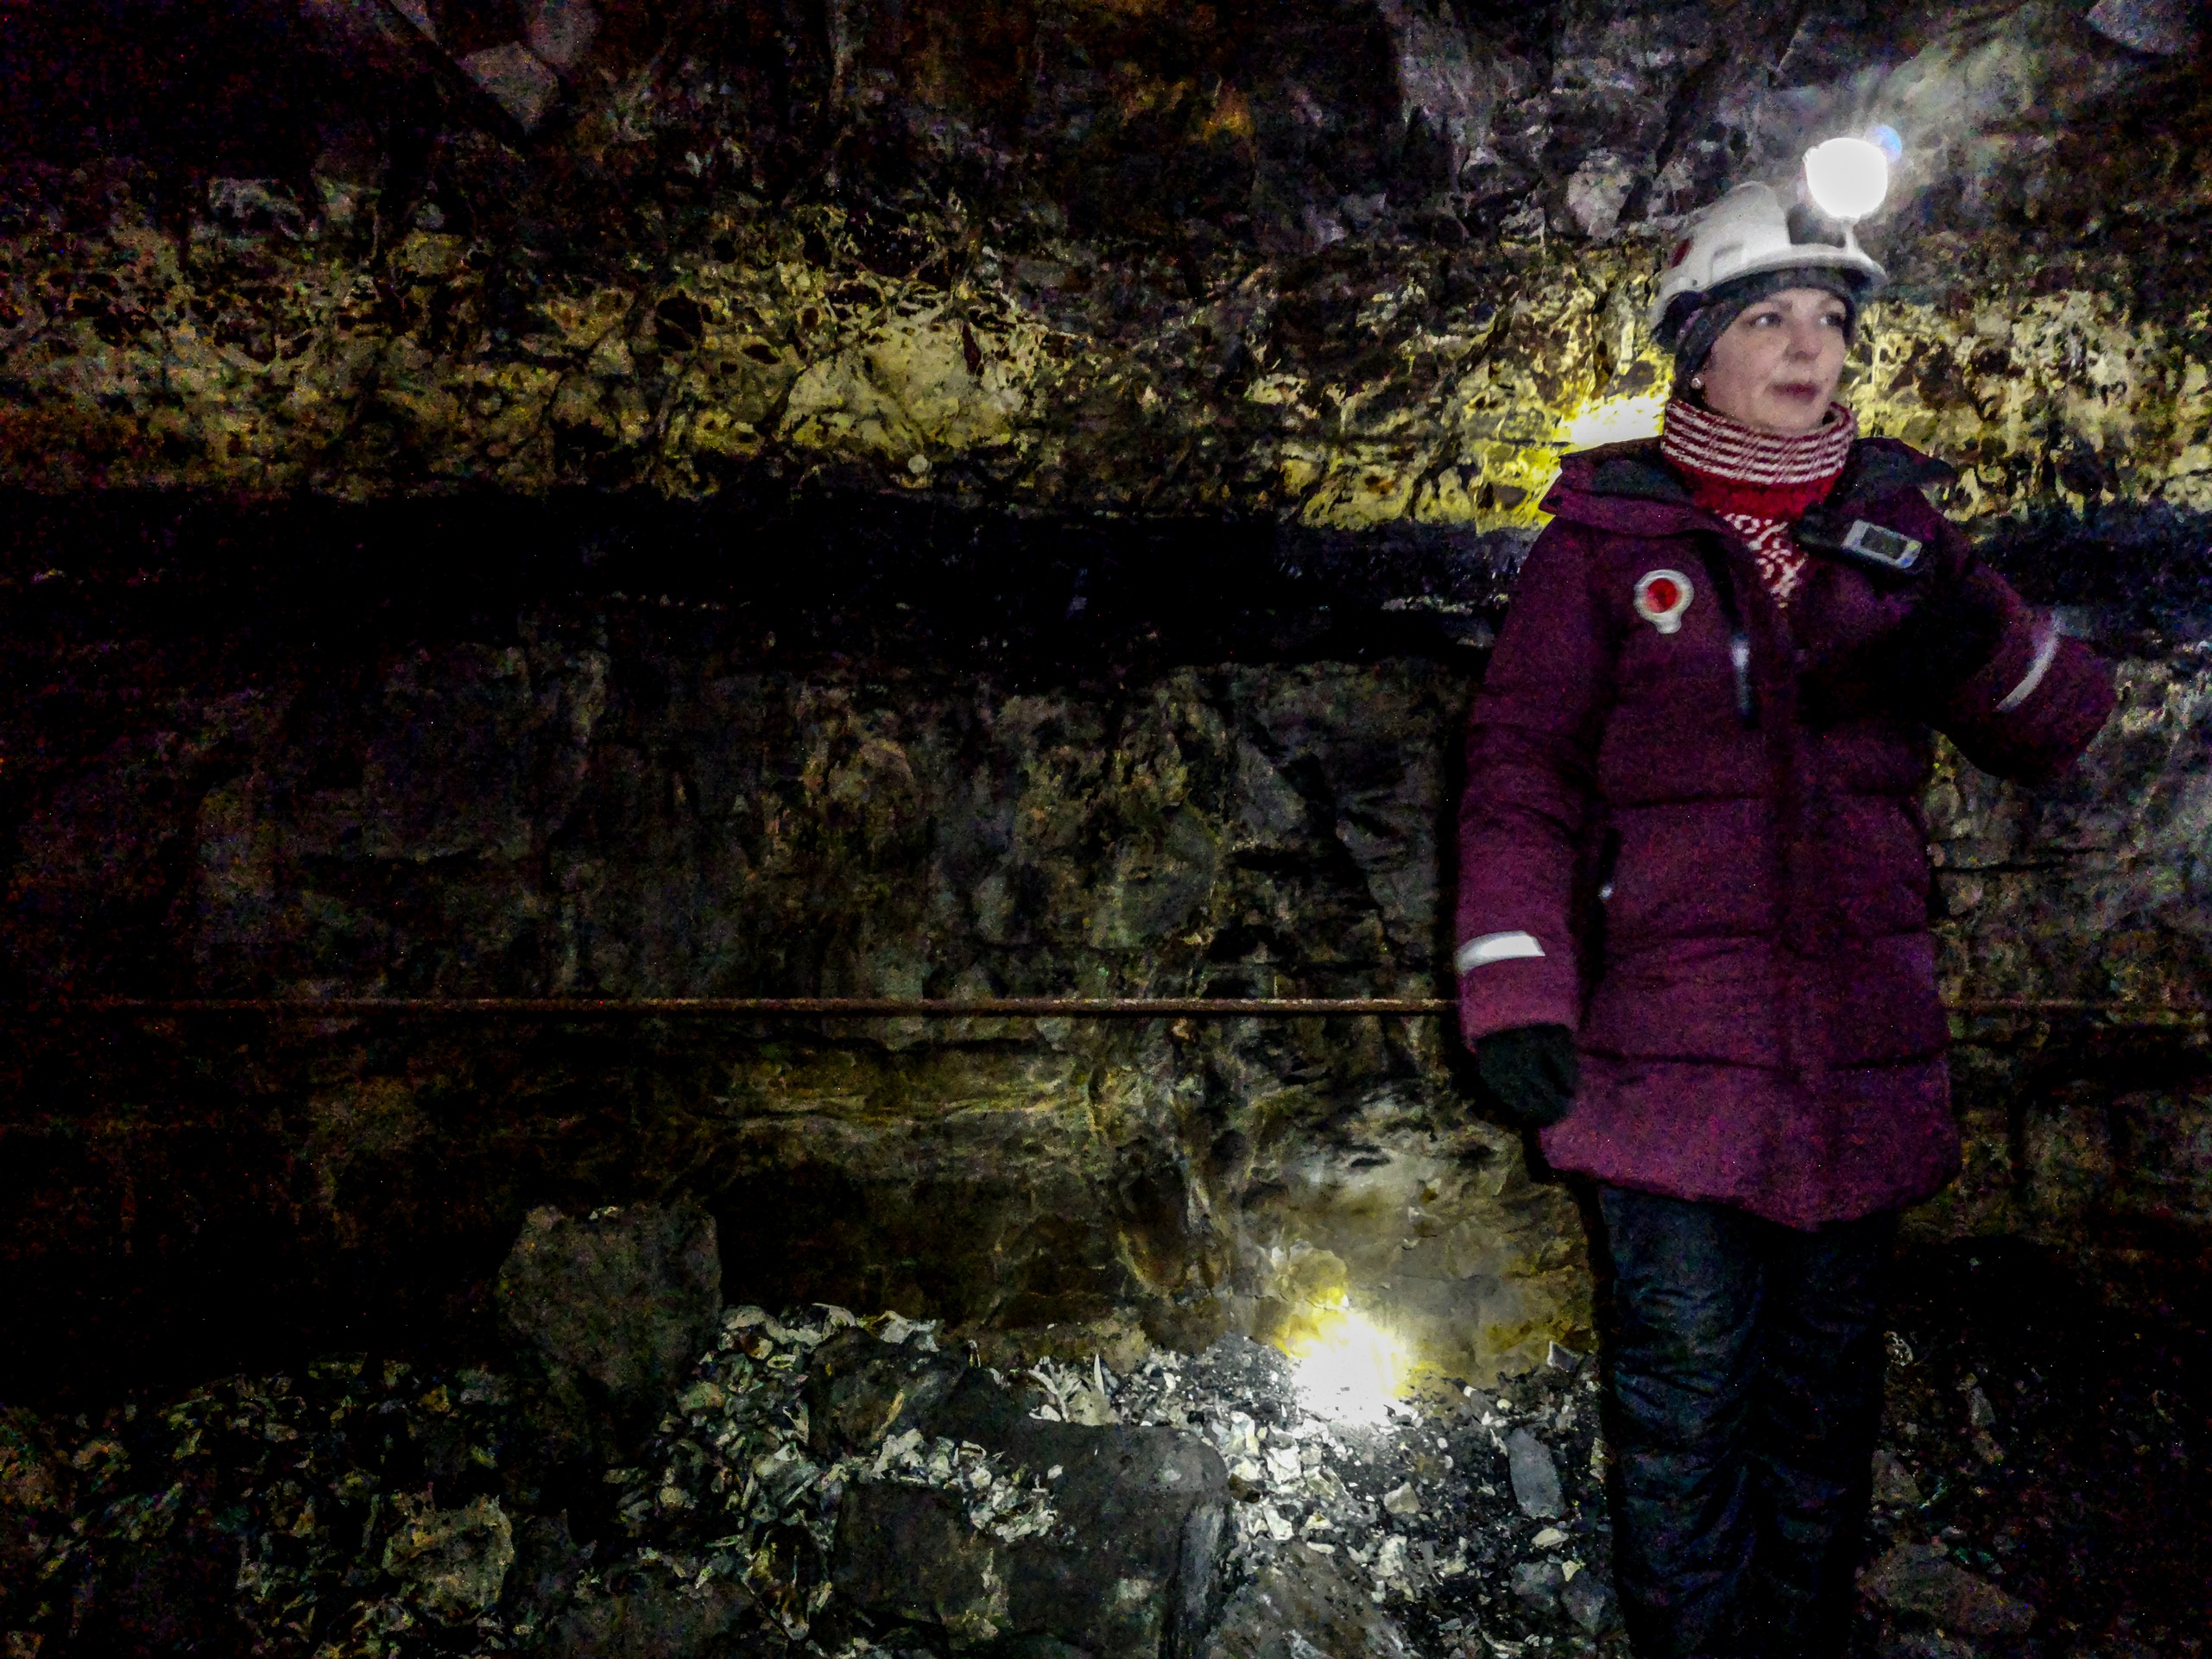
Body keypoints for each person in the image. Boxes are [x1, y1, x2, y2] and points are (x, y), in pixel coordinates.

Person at [1452, 182, 2115, 1657]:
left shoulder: (1900, 532)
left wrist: (1967, 632)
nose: (1810, 346)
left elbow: (2061, 722)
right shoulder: (1605, 546)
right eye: (1768, 317)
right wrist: (1514, 991)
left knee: (1822, 1417)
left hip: (1857, 1069)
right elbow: (1517, 782)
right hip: (1666, 1075)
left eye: (1829, 318)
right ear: (1698, 352)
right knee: (1685, 1415)